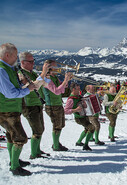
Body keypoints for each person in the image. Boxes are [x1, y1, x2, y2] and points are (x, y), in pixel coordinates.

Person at [0, 43, 36, 176]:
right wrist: (28, 89)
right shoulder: (1, 69)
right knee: (20, 137)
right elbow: (9, 93)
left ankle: (13, 160)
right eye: (15, 55)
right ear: (7, 55)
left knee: (11, 136)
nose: (17, 58)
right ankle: (15, 167)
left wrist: (21, 83)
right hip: (6, 110)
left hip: (11, 109)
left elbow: (12, 87)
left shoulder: (9, 68)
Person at [18, 52, 50, 159]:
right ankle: (34, 154)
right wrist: (42, 74)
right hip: (29, 105)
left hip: (37, 104)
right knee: (37, 130)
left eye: (33, 61)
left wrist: (46, 76)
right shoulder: (21, 74)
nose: (33, 63)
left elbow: (44, 84)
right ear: (23, 62)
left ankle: (37, 150)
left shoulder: (32, 73)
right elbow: (32, 88)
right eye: (30, 61)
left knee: (41, 128)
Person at [42, 59, 73, 151]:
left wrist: (66, 81)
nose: (58, 68)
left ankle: (56, 143)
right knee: (57, 125)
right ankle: (56, 146)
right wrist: (65, 80)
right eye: (55, 66)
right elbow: (56, 91)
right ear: (49, 68)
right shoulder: (47, 79)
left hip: (58, 104)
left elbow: (62, 89)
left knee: (60, 125)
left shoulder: (55, 77)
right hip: (51, 105)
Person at [64, 82, 95, 151]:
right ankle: (86, 145)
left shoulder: (79, 96)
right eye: (78, 89)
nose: (79, 90)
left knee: (87, 129)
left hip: (84, 116)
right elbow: (65, 111)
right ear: (73, 90)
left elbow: (84, 105)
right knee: (92, 128)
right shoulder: (71, 99)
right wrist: (75, 110)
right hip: (79, 118)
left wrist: (84, 105)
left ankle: (78, 142)